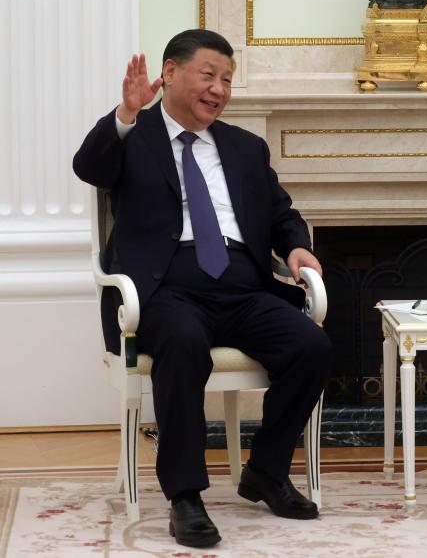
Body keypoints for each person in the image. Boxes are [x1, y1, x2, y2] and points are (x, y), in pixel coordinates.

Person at [74, 29, 332, 548]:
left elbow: (281, 214)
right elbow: (89, 168)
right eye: (208, 75)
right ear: (169, 73)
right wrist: (124, 116)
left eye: (227, 80)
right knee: (183, 342)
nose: (219, 89)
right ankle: (186, 496)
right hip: (165, 287)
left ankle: (266, 472)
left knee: (312, 347)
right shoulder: (134, 137)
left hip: (242, 284)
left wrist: (297, 247)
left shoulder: (243, 147)